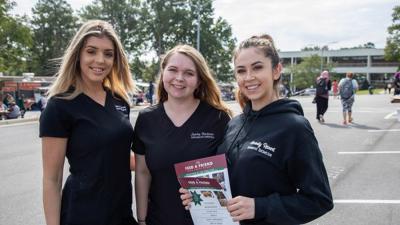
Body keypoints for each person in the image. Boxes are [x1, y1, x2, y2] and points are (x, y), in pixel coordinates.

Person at [180, 35, 333, 224]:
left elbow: (319, 200)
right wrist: (199, 194)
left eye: (257, 67)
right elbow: (228, 183)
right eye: (241, 71)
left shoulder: (295, 128)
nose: (249, 77)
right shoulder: (234, 124)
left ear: (276, 70)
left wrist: (259, 207)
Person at [39, 20, 138, 225]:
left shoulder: (120, 102)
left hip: (121, 214)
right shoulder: (59, 106)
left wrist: (167, 154)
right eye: (91, 51)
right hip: (82, 215)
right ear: (78, 55)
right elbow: (52, 179)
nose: (100, 60)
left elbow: (114, 154)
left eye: (108, 54)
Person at [132, 44, 232, 225]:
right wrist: (141, 219)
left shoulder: (218, 118)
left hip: (209, 220)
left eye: (189, 73)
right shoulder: (147, 119)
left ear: (199, 80)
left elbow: (229, 175)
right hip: (159, 220)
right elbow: (142, 172)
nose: (179, 78)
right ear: (163, 74)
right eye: (173, 70)